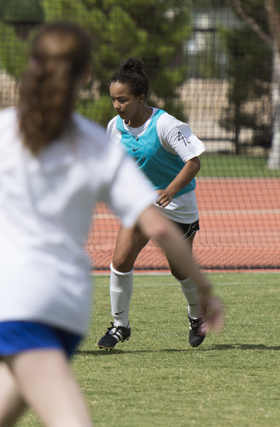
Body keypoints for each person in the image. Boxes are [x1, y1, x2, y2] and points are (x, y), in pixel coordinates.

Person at [0, 23, 223, 427]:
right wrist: (207, 288)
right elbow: (158, 228)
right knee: (3, 399)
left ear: (31, 67)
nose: (116, 105)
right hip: (67, 299)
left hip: (13, 296)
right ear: (85, 77)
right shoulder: (99, 140)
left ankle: (161, 316)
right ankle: (120, 325)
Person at [97, 57, 208, 351]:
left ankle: (197, 316)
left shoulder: (166, 125)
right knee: (120, 261)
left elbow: (193, 162)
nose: (117, 105)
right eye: (113, 100)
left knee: (180, 271)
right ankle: (120, 326)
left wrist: (170, 190)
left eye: (123, 100)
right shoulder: (114, 127)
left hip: (177, 206)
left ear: (141, 99)